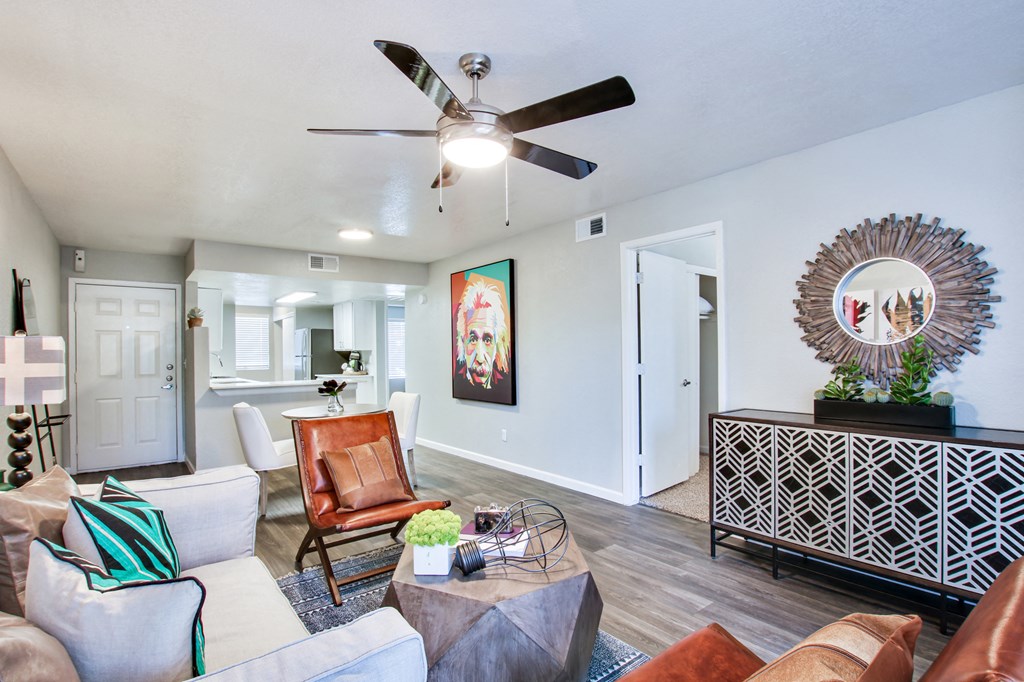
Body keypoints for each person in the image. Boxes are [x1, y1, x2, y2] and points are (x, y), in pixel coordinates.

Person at [453, 278, 512, 403]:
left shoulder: (505, 387)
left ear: (497, 343)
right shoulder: (455, 383)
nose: (480, 358)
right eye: (473, 339)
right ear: (463, 342)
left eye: (487, 340)